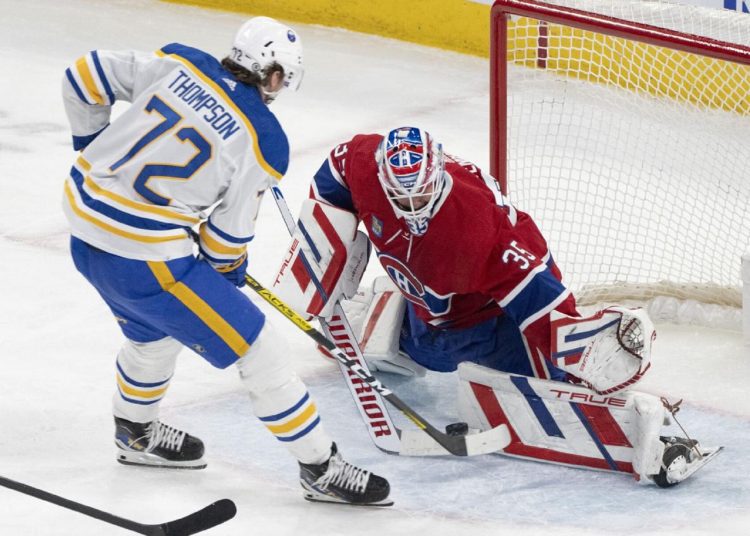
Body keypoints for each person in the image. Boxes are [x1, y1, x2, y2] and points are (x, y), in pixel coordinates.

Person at [60, 16, 391, 506]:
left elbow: (83, 75)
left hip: (84, 230)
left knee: (154, 333)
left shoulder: (179, 63)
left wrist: (91, 150)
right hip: (145, 260)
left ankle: (136, 431)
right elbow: (225, 239)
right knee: (262, 350)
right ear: (275, 77)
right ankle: (320, 468)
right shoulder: (262, 138)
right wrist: (226, 269)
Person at [273, 126, 718, 487]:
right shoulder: (367, 163)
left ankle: (651, 440)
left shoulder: (475, 230)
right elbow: (336, 172)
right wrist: (329, 240)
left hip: (490, 313)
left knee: (553, 378)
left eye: (420, 197)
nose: (410, 208)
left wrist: (575, 344)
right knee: (429, 348)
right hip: (431, 307)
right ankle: (390, 323)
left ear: (439, 174)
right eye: (400, 197)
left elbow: (535, 290)